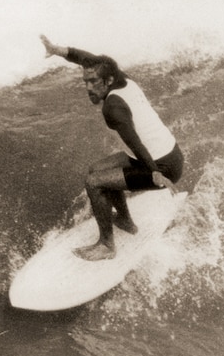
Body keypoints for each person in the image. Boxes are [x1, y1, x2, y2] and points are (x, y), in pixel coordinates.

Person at [40, 35, 184, 261]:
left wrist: (155, 172)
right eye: (85, 81)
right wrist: (58, 50)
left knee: (94, 183)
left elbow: (134, 140)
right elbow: (87, 59)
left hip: (162, 165)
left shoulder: (113, 107)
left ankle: (106, 246)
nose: (88, 87)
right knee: (95, 170)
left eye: (93, 82)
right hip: (165, 152)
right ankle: (125, 220)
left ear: (107, 81)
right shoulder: (121, 78)